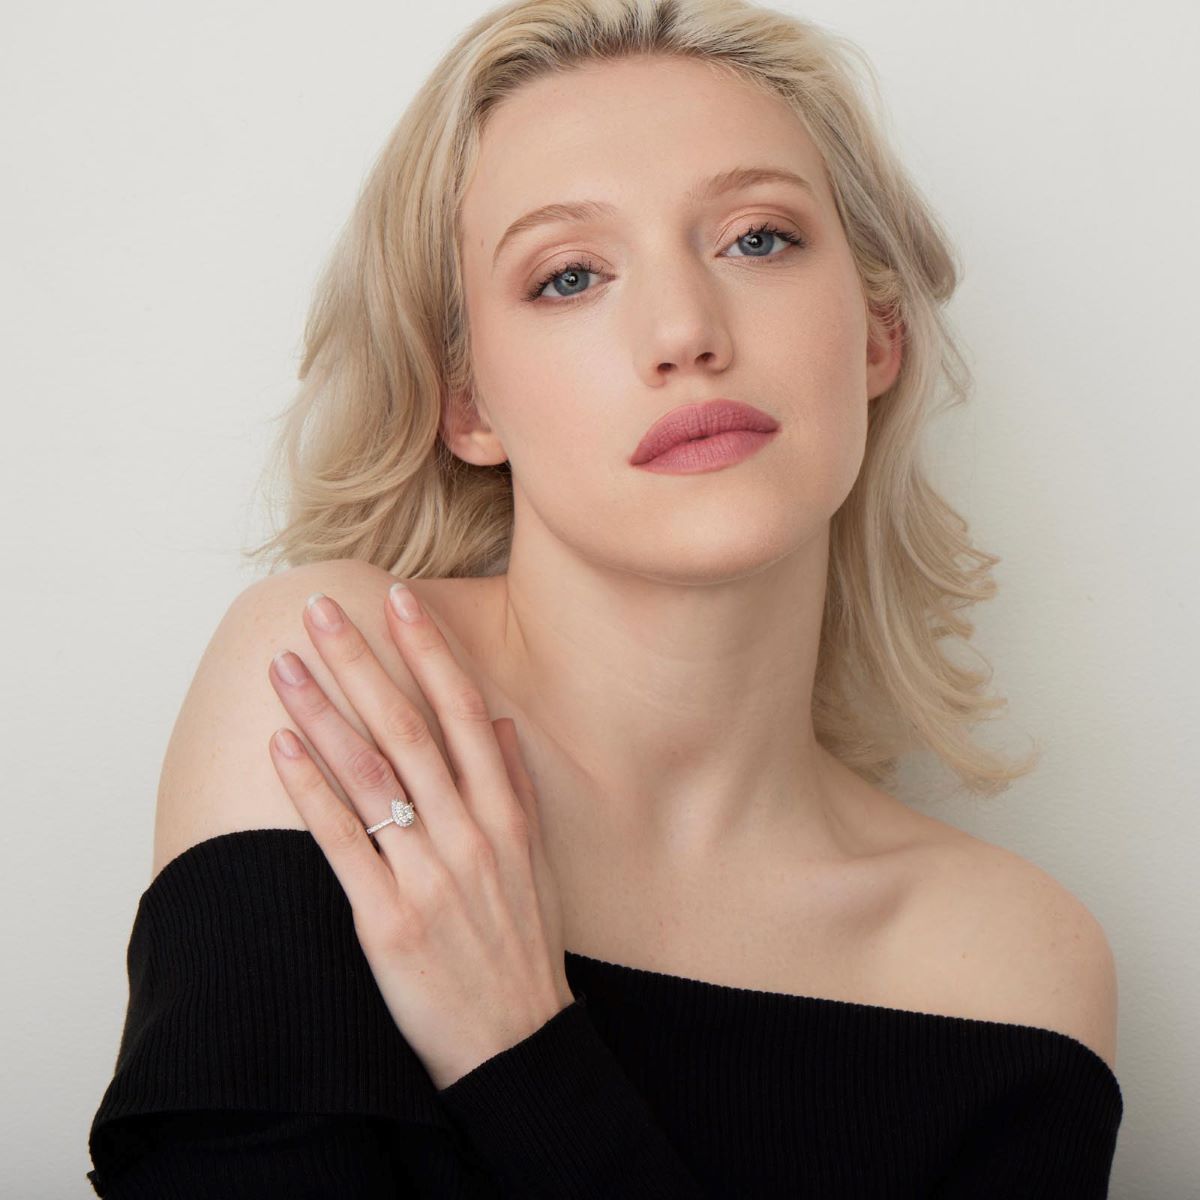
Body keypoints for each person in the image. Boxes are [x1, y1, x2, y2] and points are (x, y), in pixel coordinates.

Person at [86, 1, 1123, 1195]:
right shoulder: (346, 690)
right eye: (568, 275)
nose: (685, 331)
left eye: (758, 239)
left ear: (878, 330)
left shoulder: (1012, 969)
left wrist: (516, 1049)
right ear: (466, 402)